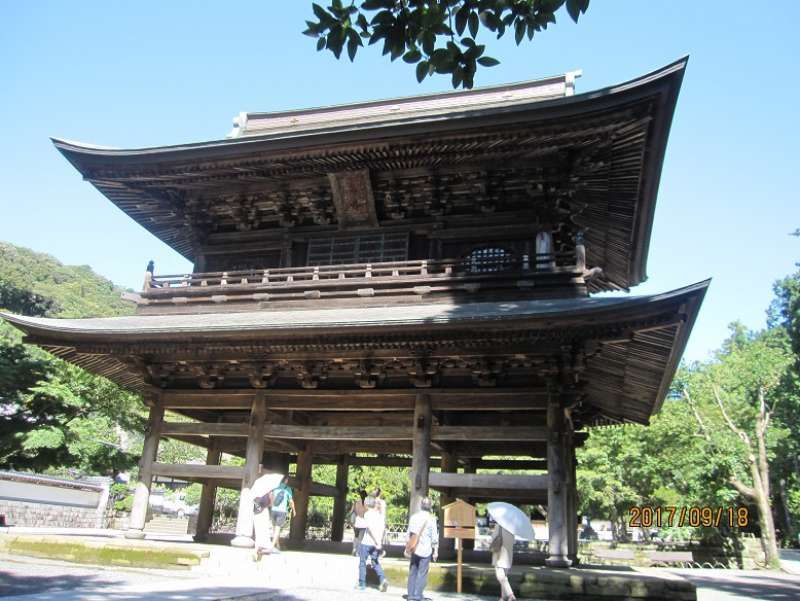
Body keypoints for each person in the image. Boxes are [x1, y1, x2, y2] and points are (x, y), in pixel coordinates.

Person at [405, 496, 438, 601]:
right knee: (422, 573)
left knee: (412, 571)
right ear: (430, 507)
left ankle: (410, 595)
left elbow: (408, 534)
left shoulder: (413, 517)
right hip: (425, 550)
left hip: (414, 549)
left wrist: (407, 546)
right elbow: (434, 538)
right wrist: (435, 551)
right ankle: (418, 595)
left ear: (421, 505)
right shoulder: (431, 519)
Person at [357, 495, 389, 592]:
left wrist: (375, 540)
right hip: (376, 544)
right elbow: (383, 531)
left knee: (362, 562)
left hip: (367, 542)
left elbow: (369, 529)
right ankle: (382, 579)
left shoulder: (368, 514)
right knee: (375, 562)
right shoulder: (381, 516)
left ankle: (362, 583)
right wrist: (379, 542)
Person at [490, 523, 517, 601]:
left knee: (500, 576)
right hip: (508, 555)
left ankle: (510, 595)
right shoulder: (512, 527)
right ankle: (503, 597)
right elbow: (513, 541)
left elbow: (493, 537)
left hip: (499, 553)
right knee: (504, 576)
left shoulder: (499, 525)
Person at [270, 475, 295, 552]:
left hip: (273, 510)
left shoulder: (275, 487)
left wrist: (272, 506)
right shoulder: (288, 489)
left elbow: (271, 497)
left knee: (274, 529)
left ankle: (277, 546)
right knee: (277, 529)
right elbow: (291, 501)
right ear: (286, 480)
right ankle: (271, 547)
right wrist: (294, 510)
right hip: (282, 511)